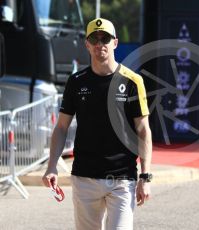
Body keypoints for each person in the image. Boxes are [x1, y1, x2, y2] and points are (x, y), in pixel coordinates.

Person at [42, 18, 152, 230]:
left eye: (105, 38)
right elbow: (62, 127)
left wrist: (145, 176)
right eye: (95, 38)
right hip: (85, 177)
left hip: (122, 179)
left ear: (115, 43)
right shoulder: (77, 81)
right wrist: (52, 165)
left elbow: (143, 129)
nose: (100, 43)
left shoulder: (133, 81)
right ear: (87, 44)